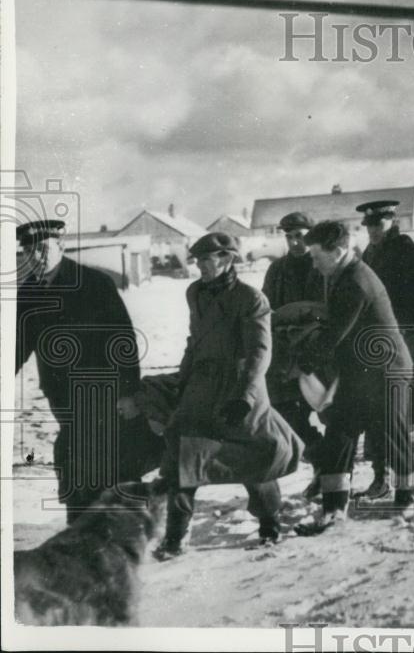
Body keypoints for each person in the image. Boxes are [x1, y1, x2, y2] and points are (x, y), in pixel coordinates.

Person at [153, 233, 304, 560]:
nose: (201, 267)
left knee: (254, 458)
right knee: (184, 453)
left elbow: (259, 354)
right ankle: (176, 536)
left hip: (238, 389)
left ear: (227, 259)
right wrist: (182, 379)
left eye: (207, 260)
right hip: (201, 387)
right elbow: (194, 340)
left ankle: (269, 526)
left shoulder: (251, 299)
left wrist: (245, 399)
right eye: (198, 261)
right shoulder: (194, 293)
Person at [15, 220, 164, 524]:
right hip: (63, 396)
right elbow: (18, 344)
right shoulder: (30, 290)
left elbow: (122, 341)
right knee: (75, 460)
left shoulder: (94, 283)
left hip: (105, 392)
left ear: (61, 246)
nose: (37, 257)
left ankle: (126, 531)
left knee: (112, 461)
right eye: (29, 251)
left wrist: (128, 393)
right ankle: (81, 527)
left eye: (43, 249)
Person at [294, 221, 414, 535]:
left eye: (316, 254)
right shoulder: (341, 274)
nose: (312, 261)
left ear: (336, 251)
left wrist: (301, 364)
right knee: (339, 434)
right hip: (360, 370)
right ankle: (334, 510)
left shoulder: (356, 281)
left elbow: (335, 334)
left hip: (388, 370)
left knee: (393, 431)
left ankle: (406, 497)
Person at [355, 199, 414, 499]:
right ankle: (380, 477)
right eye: (368, 226)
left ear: (392, 222)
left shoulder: (406, 250)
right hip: (373, 343)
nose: (372, 230)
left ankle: (407, 479)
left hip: (401, 341)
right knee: (374, 413)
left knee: (398, 416)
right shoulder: (369, 252)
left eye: (377, 225)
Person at [261, 211, 325, 453]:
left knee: (331, 416)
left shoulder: (324, 265)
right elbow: (267, 310)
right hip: (287, 357)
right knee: (284, 411)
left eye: (300, 236)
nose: (295, 242)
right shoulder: (277, 270)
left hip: (320, 353)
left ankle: (334, 474)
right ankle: (320, 457)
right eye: (289, 237)